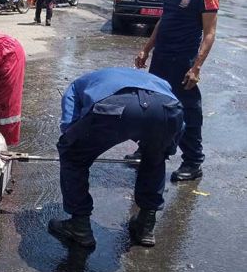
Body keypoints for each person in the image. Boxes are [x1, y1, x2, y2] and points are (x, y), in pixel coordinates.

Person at [48, 67, 184, 248]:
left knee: (72, 156)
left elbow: (68, 125)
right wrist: (165, 149)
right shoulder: (159, 82)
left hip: (115, 107)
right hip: (167, 109)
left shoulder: (78, 84)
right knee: (155, 159)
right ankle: (145, 225)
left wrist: (75, 141)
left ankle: (79, 226)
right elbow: (176, 122)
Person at [130, 0, 218, 182]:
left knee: (189, 112)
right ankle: (146, 150)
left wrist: (197, 67)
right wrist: (146, 49)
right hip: (161, 59)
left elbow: (210, 33)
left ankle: (192, 162)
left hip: (184, 62)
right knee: (151, 106)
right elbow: (163, 22)